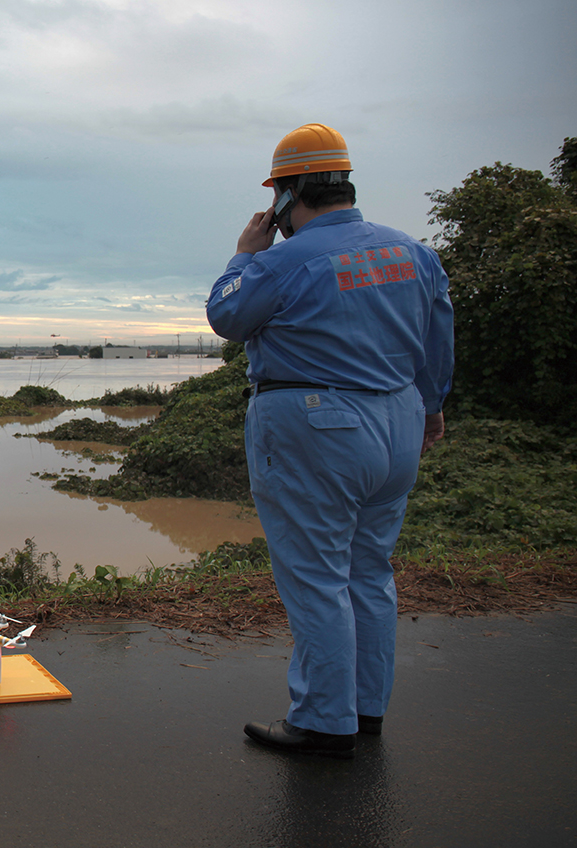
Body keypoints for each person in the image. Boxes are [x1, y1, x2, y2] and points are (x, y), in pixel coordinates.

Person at [206, 123, 454, 759]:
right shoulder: (414, 254)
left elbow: (226, 317)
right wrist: (429, 410)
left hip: (314, 426)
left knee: (316, 577)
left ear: (288, 195)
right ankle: (364, 710)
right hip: (398, 421)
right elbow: (436, 343)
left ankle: (321, 721)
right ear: (343, 183)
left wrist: (243, 255)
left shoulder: (283, 261)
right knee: (369, 572)